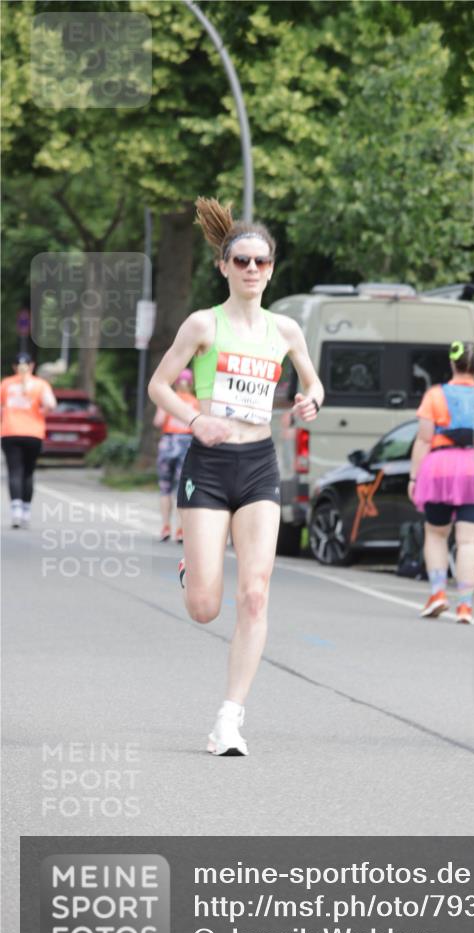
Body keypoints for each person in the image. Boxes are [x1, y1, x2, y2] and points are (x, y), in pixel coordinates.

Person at [147, 197, 324, 756]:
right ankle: (191, 568)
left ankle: (230, 718)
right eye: (241, 261)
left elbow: (314, 385)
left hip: (258, 467)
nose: (252, 270)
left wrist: (309, 402)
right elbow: (158, 385)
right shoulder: (204, 324)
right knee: (205, 608)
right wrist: (195, 419)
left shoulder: (287, 331)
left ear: (272, 269)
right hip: (209, 466)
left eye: (261, 262)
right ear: (223, 266)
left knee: (255, 594)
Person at [408, 341, 474, 624]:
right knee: (469, 541)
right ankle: (465, 605)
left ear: (452, 364)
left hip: (440, 469)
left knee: (436, 533)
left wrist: (414, 477)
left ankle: (438, 593)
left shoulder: (435, 395)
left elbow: (423, 439)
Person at [1, 352, 57, 528]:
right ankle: (26, 511)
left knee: (14, 471)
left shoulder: (7, 384)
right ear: (32, 366)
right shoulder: (41, 385)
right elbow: (51, 405)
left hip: (11, 432)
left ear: (14, 367)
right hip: (34, 433)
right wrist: (41, 413)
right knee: (28, 472)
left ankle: (16, 511)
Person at [152, 369, 199, 542]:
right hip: (187, 445)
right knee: (183, 489)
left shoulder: (168, 400)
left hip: (168, 443)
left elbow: (158, 421)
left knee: (165, 487)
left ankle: (165, 526)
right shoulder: (195, 402)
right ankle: (180, 530)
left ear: (176, 383)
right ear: (191, 383)